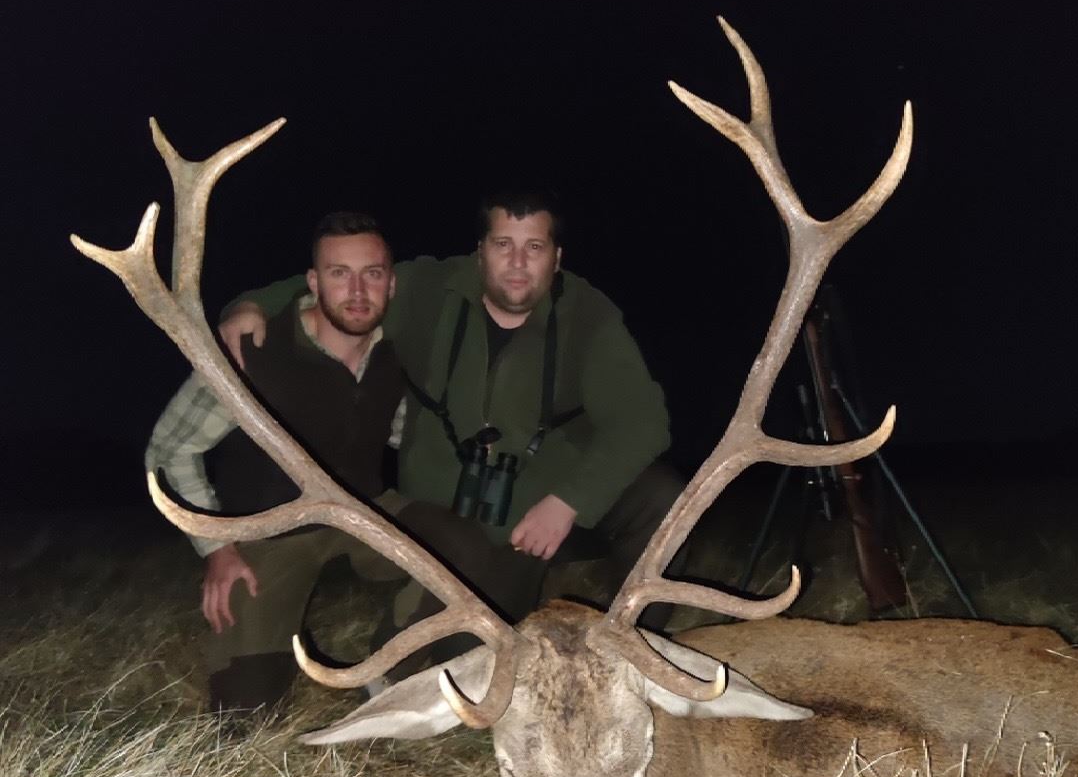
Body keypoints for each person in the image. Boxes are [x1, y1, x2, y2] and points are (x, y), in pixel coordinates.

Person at [219, 193, 683, 627]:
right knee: (472, 652)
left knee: (662, 499)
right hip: (457, 519)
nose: (517, 262)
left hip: (551, 502)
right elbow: (347, 284)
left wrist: (570, 501)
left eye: (534, 247)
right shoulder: (426, 291)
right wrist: (252, 304)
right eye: (503, 244)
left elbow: (644, 423)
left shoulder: (589, 315)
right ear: (480, 252)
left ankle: (637, 645)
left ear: (557, 257)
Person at [147, 210, 510, 717]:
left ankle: (391, 669)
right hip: (270, 531)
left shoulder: (398, 354)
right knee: (245, 712)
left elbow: (405, 432)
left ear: (391, 284)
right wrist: (218, 549)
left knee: (465, 546)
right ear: (313, 283)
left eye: (372, 274)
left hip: (364, 514)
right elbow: (169, 451)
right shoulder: (251, 350)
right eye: (340, 274)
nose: (357, 291)